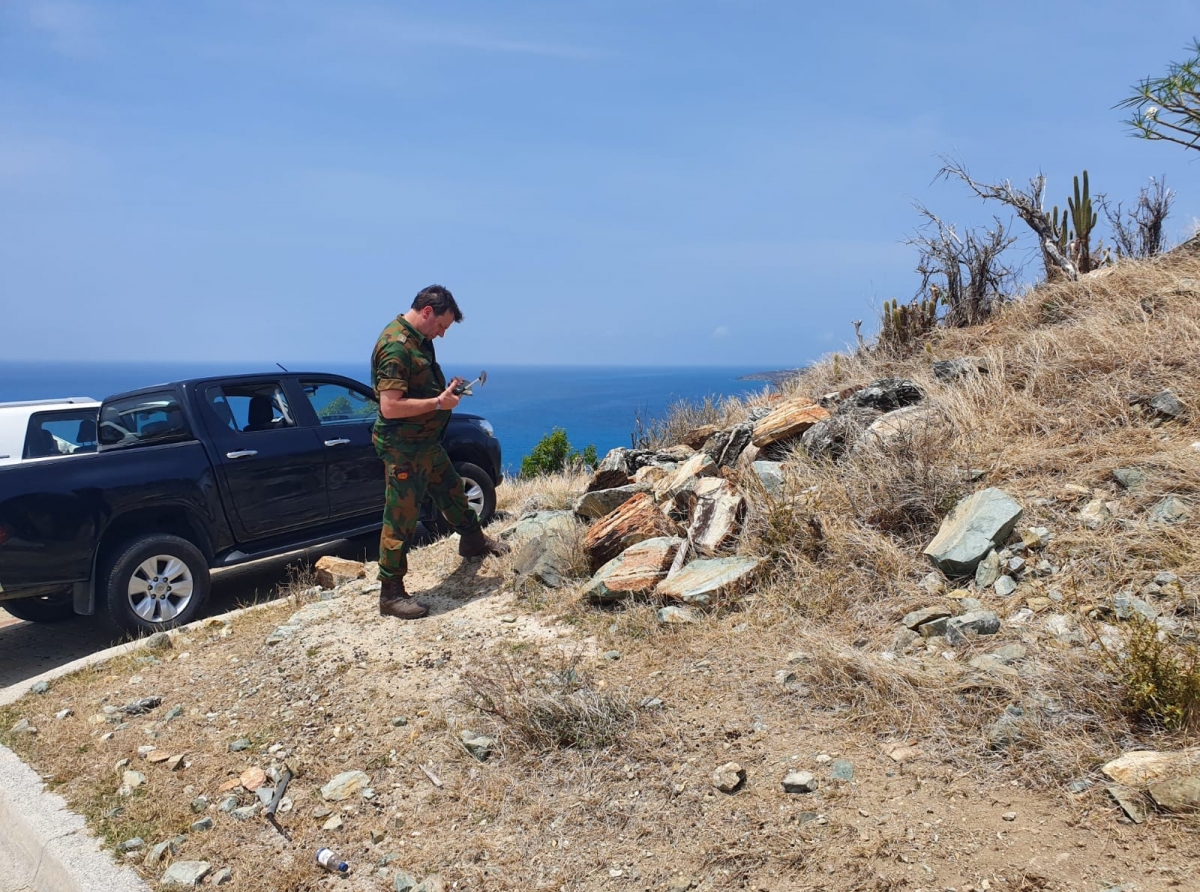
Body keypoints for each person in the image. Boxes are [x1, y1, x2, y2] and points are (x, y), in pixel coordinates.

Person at [371, 284, 509, 620]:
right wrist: (437, 402)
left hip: (425, 444)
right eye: (442, 326)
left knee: (452, 491)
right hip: (404, 447)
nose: (442, 335)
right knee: (400, 518)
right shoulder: (395, 346)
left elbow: (420, 387)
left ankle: (473, 541)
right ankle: (390, 593)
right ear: (427, 311)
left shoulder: (420, 340)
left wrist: (445, 392)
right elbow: (390, 407)